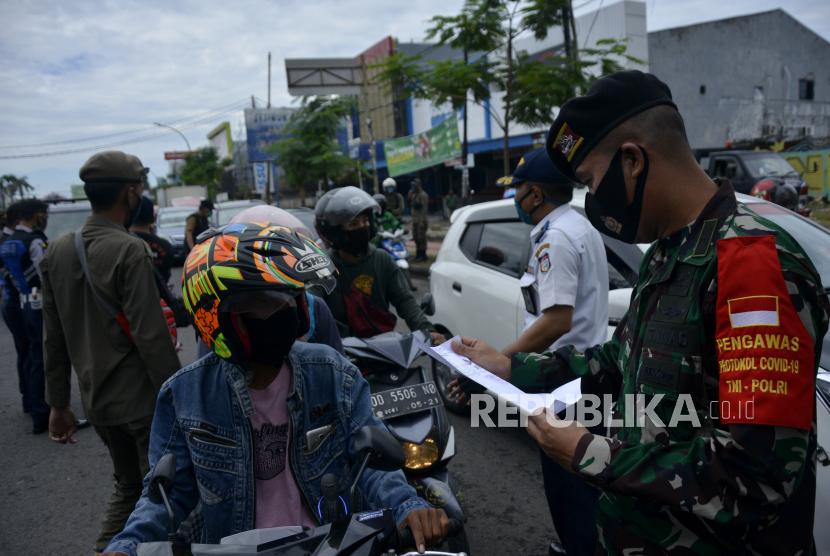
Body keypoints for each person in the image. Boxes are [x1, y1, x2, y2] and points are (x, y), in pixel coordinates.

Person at [449, 71, 830, 554]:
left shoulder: (750, 261)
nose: (589, 199)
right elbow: (617, 360)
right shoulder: (670, 251)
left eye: (589, 180)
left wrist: (592, 455)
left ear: (632, 161)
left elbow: (758, 475)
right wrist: (510, 367)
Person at [102, 224, 449, 556]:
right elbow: (165, 495)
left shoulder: (332, 373)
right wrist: (127, 545)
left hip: (330, 545)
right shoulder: (185, 395)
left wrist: (408, 505)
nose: (286, 311)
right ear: (220, 316)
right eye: (267, 301)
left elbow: (371, 463)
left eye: (290, 297)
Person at [42, 151, 182, 553]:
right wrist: (180, 396)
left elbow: (53, 337)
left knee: (127, 487)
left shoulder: (58, 250)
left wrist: (57, 403)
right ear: (131, 191)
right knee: (163, 496)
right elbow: (151, 337)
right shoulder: (128, 249)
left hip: (97, 402)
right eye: (140, 187)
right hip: (141, 404)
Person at [495, 146, 609, 556]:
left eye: (519, 189)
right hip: (585, 374)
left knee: (567, 490)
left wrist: (501, 364)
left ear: (537, 194)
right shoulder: (577, 227)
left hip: (564, 384)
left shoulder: (556, 238)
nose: (516, 198)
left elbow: (556, 321)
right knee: (586, 482)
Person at [194, 205, 344, 360]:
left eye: (291, 295)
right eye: (265, 303)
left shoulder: (315, 307)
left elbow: (340, 369)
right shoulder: (219, 316)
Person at [311, 186, 444, 343]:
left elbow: (405, 301)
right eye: (353, 224)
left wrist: (426, 329)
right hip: (342, 356)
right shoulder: (323, 269)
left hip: (384, 349)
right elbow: (312, 310)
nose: (362, 227)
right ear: (335, 232)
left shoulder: (382, 259)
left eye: (365, 220)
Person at [0, 198, 52, 434]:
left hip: (19, 302)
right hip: (38, 303)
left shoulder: (7, 242)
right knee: (41, 357)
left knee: (27, 354)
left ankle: (30, 402)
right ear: (38, 215)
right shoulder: (33, 241)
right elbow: (46, 277)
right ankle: (42, 413)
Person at [0, 203, 31, 415]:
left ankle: (28, 398)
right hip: (21, 301)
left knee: (24, 351)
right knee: (32, 352)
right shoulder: (13, 241)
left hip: (10, 302)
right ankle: (35, 400)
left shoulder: (5, 242)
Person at [130, 196, 174, 282]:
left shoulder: (120, 244)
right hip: (158, 294)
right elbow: (167, 274)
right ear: (154, 218)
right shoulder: (165, 246)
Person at [408, 178, 429, 262]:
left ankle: (423, 255)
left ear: (419, 186)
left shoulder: (423, 195)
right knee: (416, 238)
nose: (413, 187)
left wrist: (422, 221)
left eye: (415, 186)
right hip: (415, 220)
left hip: (420, 220)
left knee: (421, 238)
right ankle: (418, 254)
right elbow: (410, 206)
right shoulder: (414, 195)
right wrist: (409, 197)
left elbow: (424, 209)